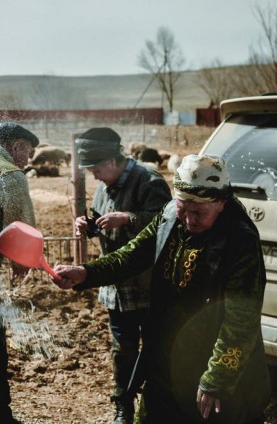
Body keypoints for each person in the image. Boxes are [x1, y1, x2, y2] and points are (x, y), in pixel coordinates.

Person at [53, 154, 271, 423]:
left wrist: (217, 379)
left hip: (208, 360)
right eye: (183, 208)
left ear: (221, 204)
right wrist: (86, 273)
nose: (189, 219)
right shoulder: (170, 216)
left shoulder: (239, 241)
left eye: (199, 213)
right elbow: (132, 255)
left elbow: (241, 321)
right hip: (165, 356)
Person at [73, 127, 172, 424]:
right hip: (117, 289)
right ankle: (123, 405)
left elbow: (167, 223)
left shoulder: (149, 181)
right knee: (123, 350)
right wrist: (88, 225)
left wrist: (128, 218)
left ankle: (159, 406)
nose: (95, 176)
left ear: (114, 160)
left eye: (97, 169)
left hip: (148, 285)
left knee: (156, 348)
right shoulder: (105, 187)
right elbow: (101, 219)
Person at [0, 121, 39, 424]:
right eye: (28, 152)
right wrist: (23, 262)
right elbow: (22, 224)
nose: (28, 160)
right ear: (16, 146)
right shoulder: (11, 173)